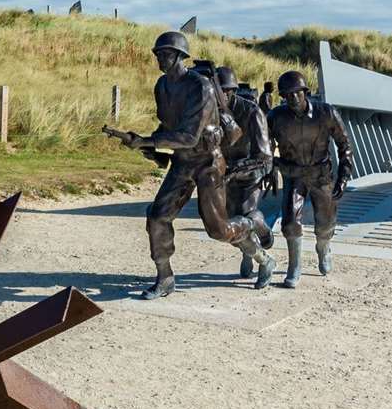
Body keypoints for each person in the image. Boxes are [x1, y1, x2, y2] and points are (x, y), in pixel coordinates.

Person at [106, 31, 274, 298]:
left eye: (166, 54)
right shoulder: (162, 86)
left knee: (219, 230)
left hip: (208, 163)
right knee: (157, 216)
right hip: (182, 162)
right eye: (158, 54)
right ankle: (165, 278)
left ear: (180, 56)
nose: (161, 58)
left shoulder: (201, 87)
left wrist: (148, 141)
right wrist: (148, 146)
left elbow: (188, 136)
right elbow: (168, 125)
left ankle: (258, 246)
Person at [266, 70, 354, 287]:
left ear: (305, 92)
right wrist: (270, 169)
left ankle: (323, 248)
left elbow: (345, 146)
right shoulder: (276, 117)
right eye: (287, 95)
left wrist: (343, 177)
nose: (293, 98)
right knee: (290, 223)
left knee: (325, 223)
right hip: (293, 175)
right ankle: (294, 267)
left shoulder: (326, 113)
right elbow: (266, 146)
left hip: (321, 175)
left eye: (297, 93)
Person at [214, 67, 276, 282]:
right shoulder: (208, 112)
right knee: (228, 228)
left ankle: (264, 239)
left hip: (250, 173)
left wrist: (237, 169)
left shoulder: (252, 112)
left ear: (230, 91)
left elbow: (264, 156)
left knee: (247, 216)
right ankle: (252, 252)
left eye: (219, 92)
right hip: (224, 177)